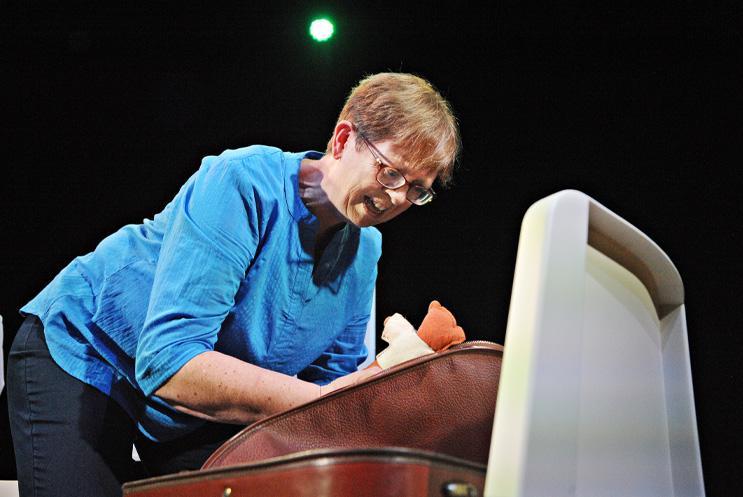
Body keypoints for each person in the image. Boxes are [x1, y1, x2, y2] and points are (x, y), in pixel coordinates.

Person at [7, 72, 460, 497]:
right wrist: (325, 400)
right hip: (91, 351)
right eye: (391, 173)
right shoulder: (243, 181)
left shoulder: (365, 253)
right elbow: (169, 360)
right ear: (343, 140)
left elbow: (330, 396)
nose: (399, 198)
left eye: (417, 190)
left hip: (190, 409)